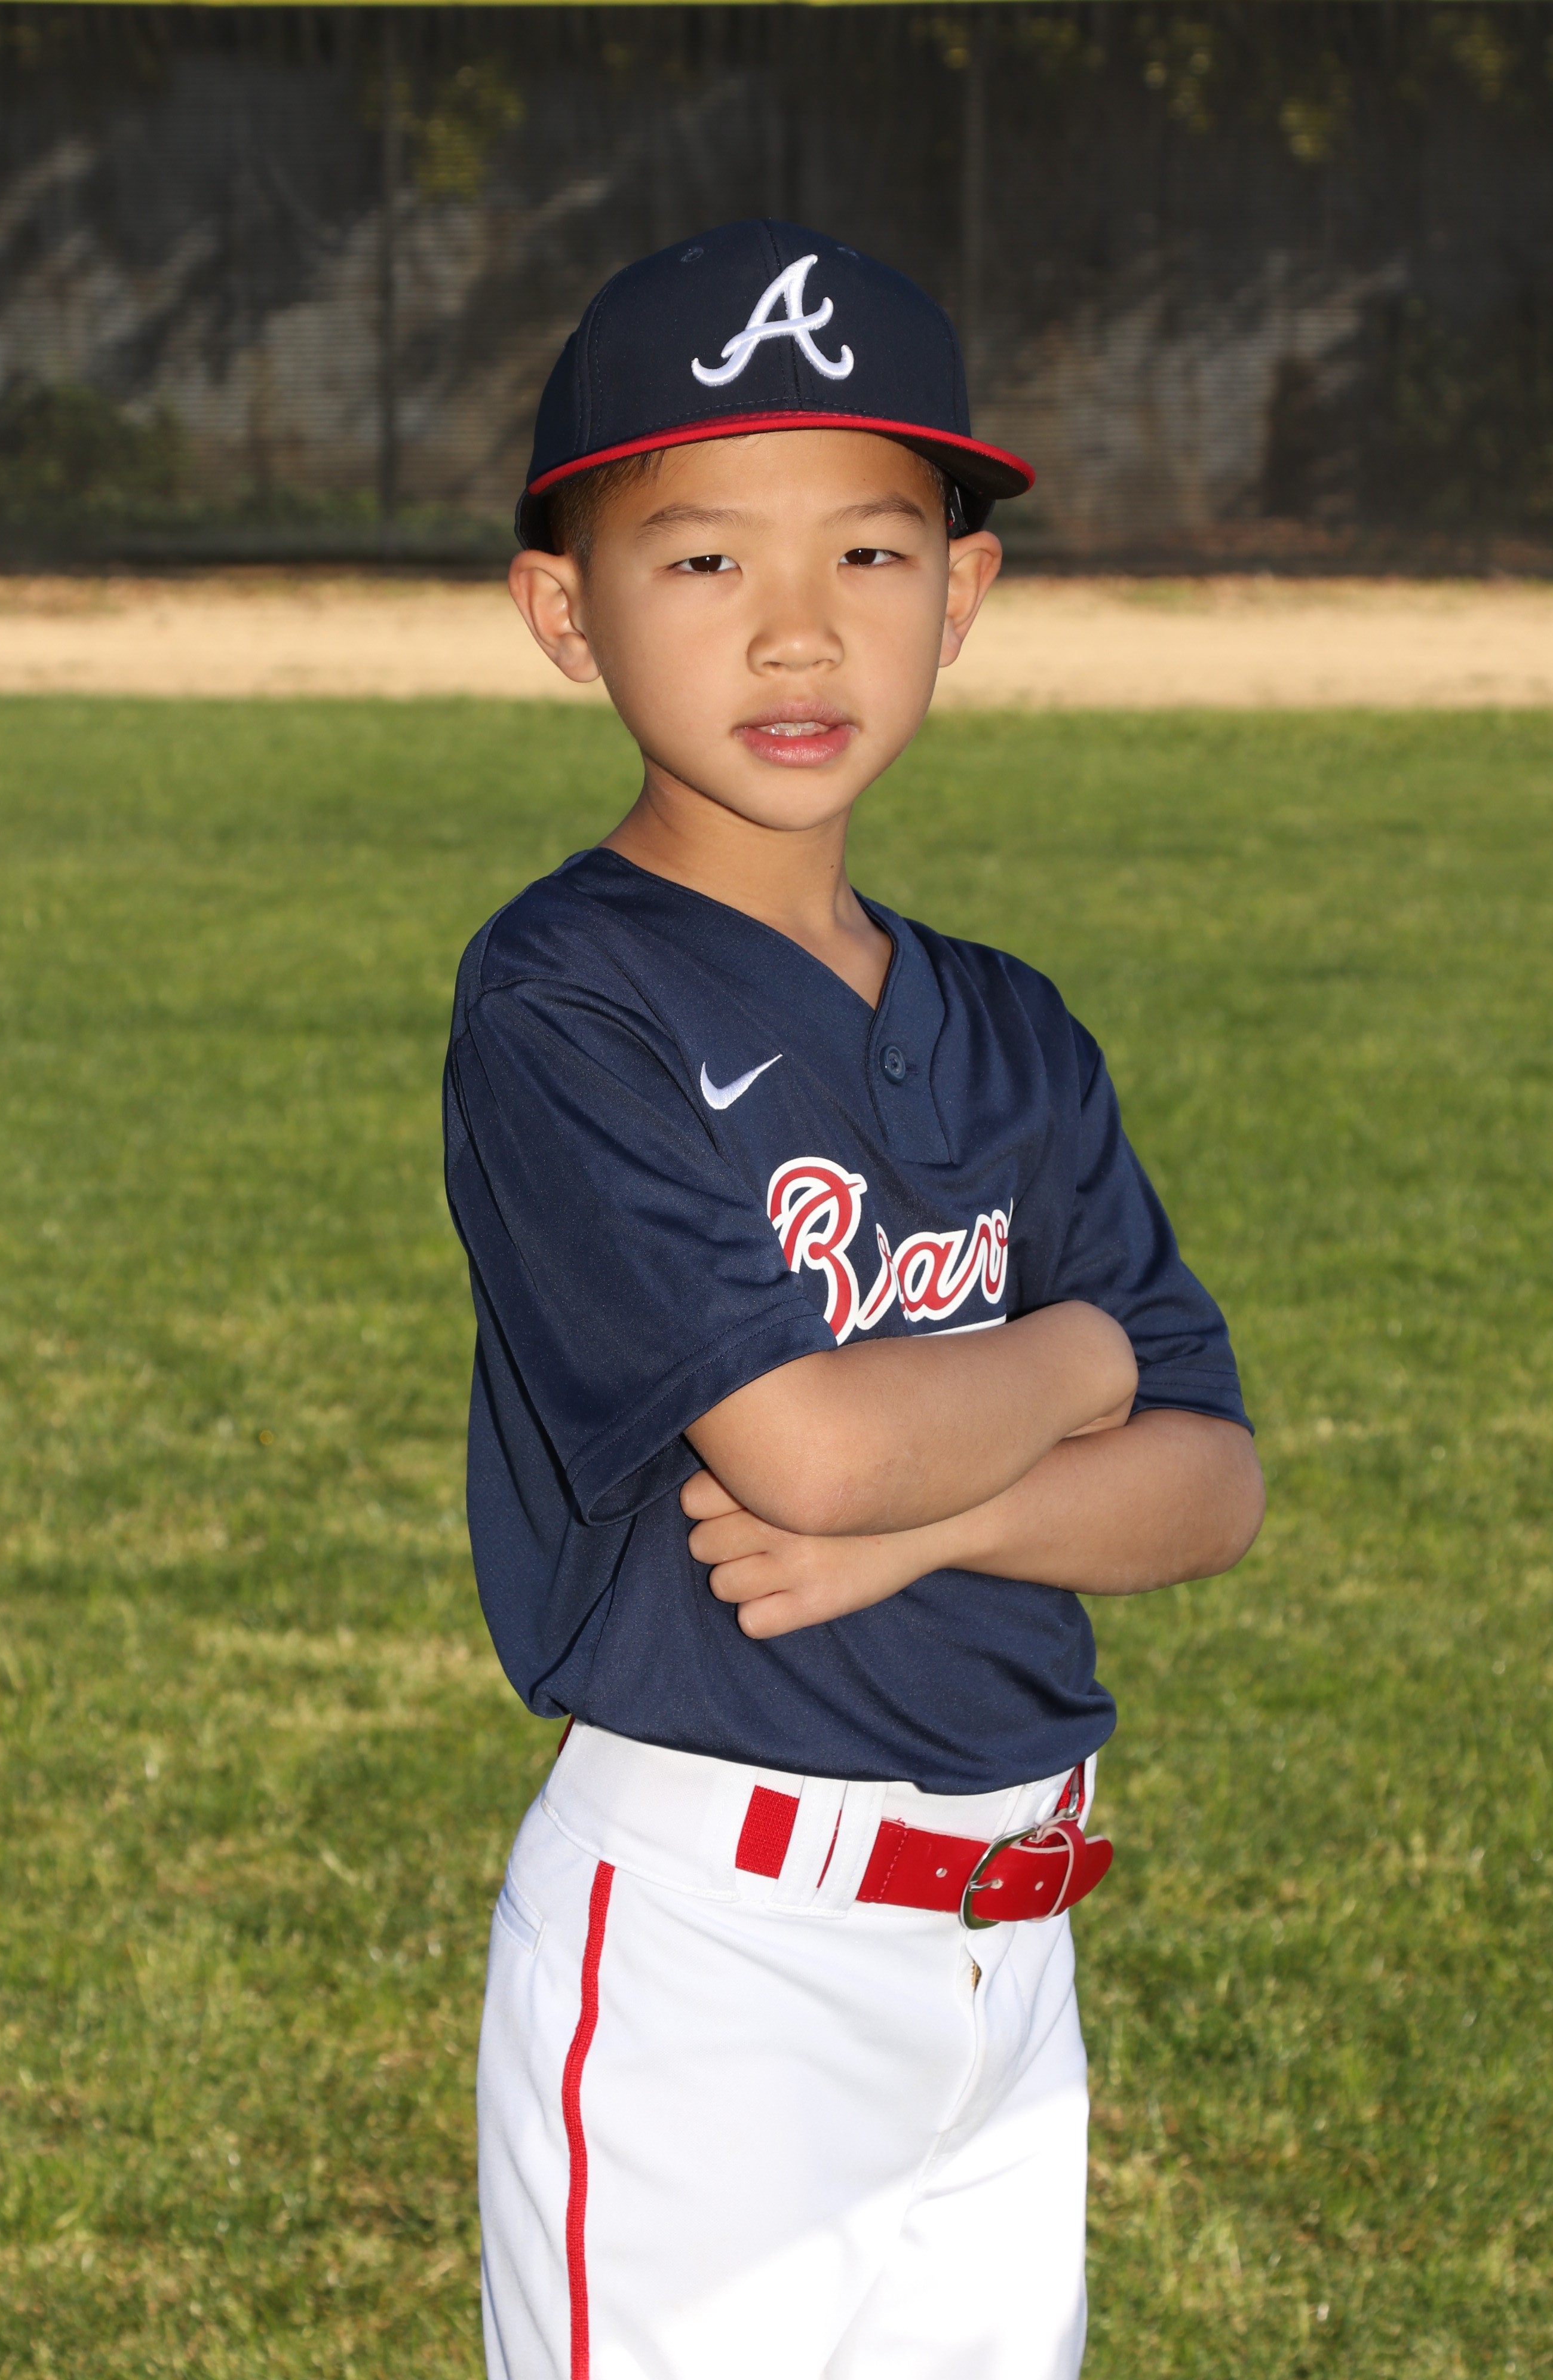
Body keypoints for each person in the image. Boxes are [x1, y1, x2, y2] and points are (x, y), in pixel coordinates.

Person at [443, 219, 1264, 2380]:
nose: (797, 629)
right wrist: (1076, 1358)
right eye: (706, 558)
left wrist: (938, 1513)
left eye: (874, 556)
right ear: (566, 611)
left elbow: (1210, 1486)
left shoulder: (1012, 1029)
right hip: (720, 1958)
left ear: (960, 598)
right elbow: (799, 1452)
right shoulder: (566, 998)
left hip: (1011, 1957)